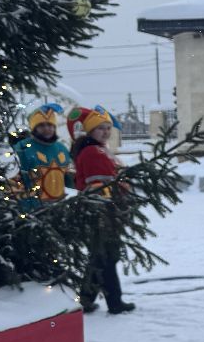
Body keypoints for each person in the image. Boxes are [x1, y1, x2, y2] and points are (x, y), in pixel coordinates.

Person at [69, 104, 135, 315]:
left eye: (108, 128)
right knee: (107, 256)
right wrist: (116, 199)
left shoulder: (99, 149)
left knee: (100, 256)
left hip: (106, 209)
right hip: (101, 211)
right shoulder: (91, 151)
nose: (106, 132)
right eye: (100, 128)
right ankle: (115, 302)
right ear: (90, 131)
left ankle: (86, 299)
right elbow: (99, 184)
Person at [13, 103, 73, 214]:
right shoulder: (23, 148)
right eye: (42, 125)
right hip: (31, 209)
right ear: (34, 128)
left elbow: (67, 177)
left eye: (50, 125)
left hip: (59, 207)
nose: (47, 129)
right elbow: (14, 177)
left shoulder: (61, 148)